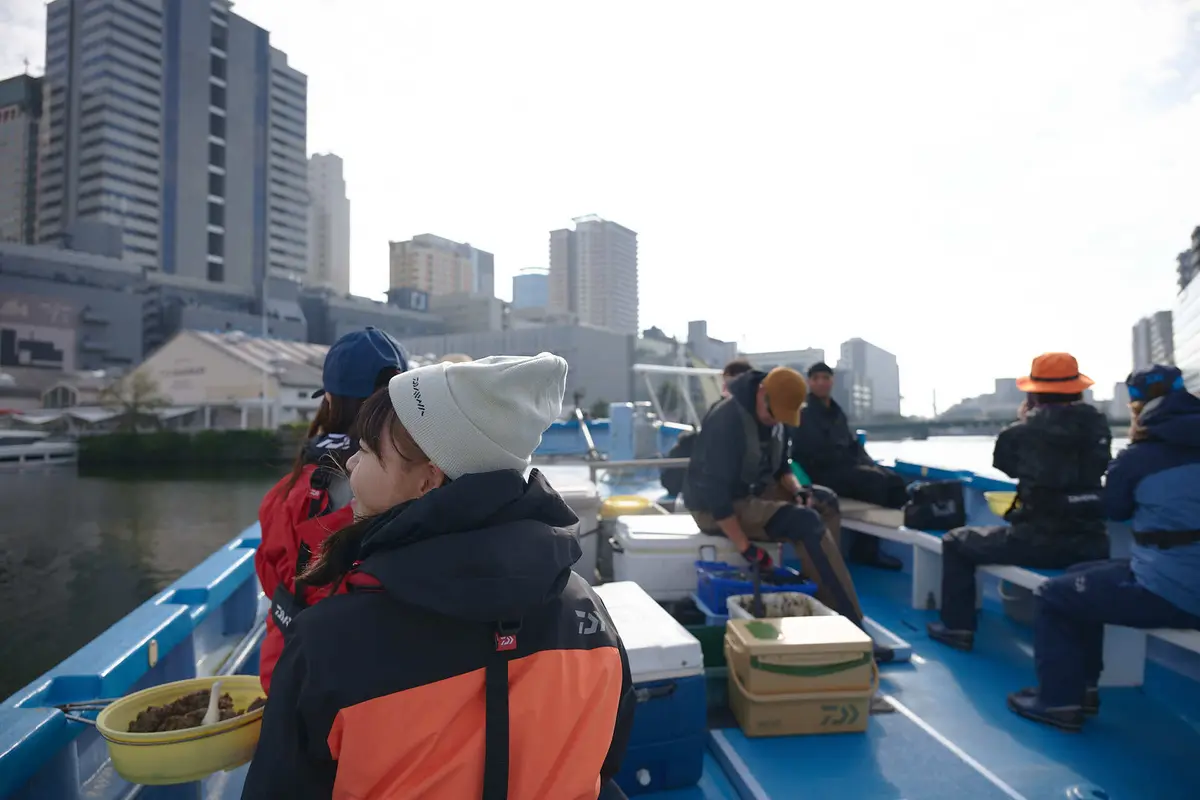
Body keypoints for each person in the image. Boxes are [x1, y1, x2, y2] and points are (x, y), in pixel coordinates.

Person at [242, 353, 635, 799]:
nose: (350, 465)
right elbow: (606, 758)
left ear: (428, 480)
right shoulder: (588, 613)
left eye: (368, 452)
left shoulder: (328, 644)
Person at [1008, 365, 1200, 731]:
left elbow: (1116, 510)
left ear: (1137, 408)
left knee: (1053, 595)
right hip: (1181, 572)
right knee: (1081, 575)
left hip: (1175, 592)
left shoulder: (1139, 457)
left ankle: (1059, 702)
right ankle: (1084, 688)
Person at [683, 365, 892, 661]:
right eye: (773, 414)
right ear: (762, 393)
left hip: (753, 492)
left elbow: (782, 467)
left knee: (824, 502)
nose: (775, 421)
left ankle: (820, 588)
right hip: (715, 508)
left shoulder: (779, 417)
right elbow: (717, 498)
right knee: (804, 522)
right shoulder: (726, 420)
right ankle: (853, 628)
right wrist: (746, 548)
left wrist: (797, 490)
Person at [254, 327, 407, 694]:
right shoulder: (417, 480)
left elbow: (272, 576)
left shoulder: (288, 493)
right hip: (383, 680)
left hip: (294, 676)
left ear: (330, 401)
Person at [927, 352, 1112, 652]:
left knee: (955, 542)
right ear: (1077, 389)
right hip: (1091, 543)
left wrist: (1027, 421)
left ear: (1034, 392)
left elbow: (1007, 466)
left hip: (1038, 540)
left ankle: (956, 628)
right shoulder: (1098, 427)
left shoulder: (1021, 432)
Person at [790, 362, 907, 570]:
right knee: (875, 483)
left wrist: (870, 464)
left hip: (845, 469)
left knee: (894, 482)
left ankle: (868, 545)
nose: (821, 383)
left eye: (825, 378)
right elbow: (809, 452)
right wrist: (857, 467)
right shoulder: (804, 414)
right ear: (809, 382)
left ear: (832, 380)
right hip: (822, 475)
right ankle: (865, 550)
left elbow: (853, 445)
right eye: (816, 378)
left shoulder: (837, 412)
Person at [661, 358, 755, 497]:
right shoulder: (721, 409)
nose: (726, 387)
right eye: (726, 383)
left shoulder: (743, 412)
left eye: (731, 384)